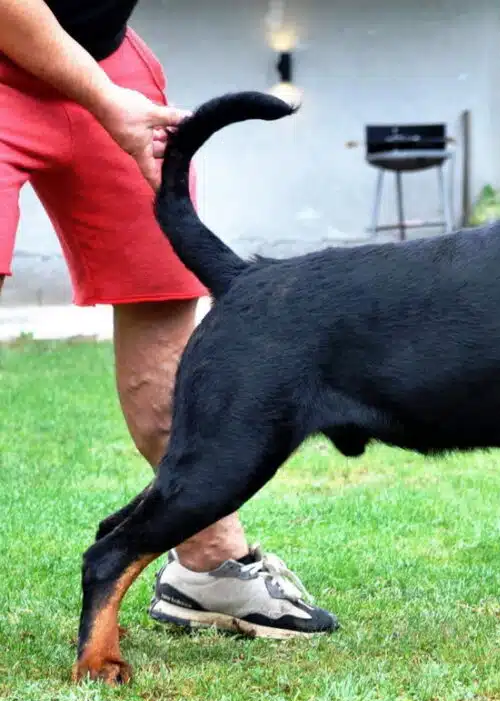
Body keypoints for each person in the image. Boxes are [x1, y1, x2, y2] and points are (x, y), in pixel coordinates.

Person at [0, 0, 337, 638]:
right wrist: (105, 99)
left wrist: (108, 91)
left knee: (170, 342)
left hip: (107, 62)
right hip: (43, 62)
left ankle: (209, 567)